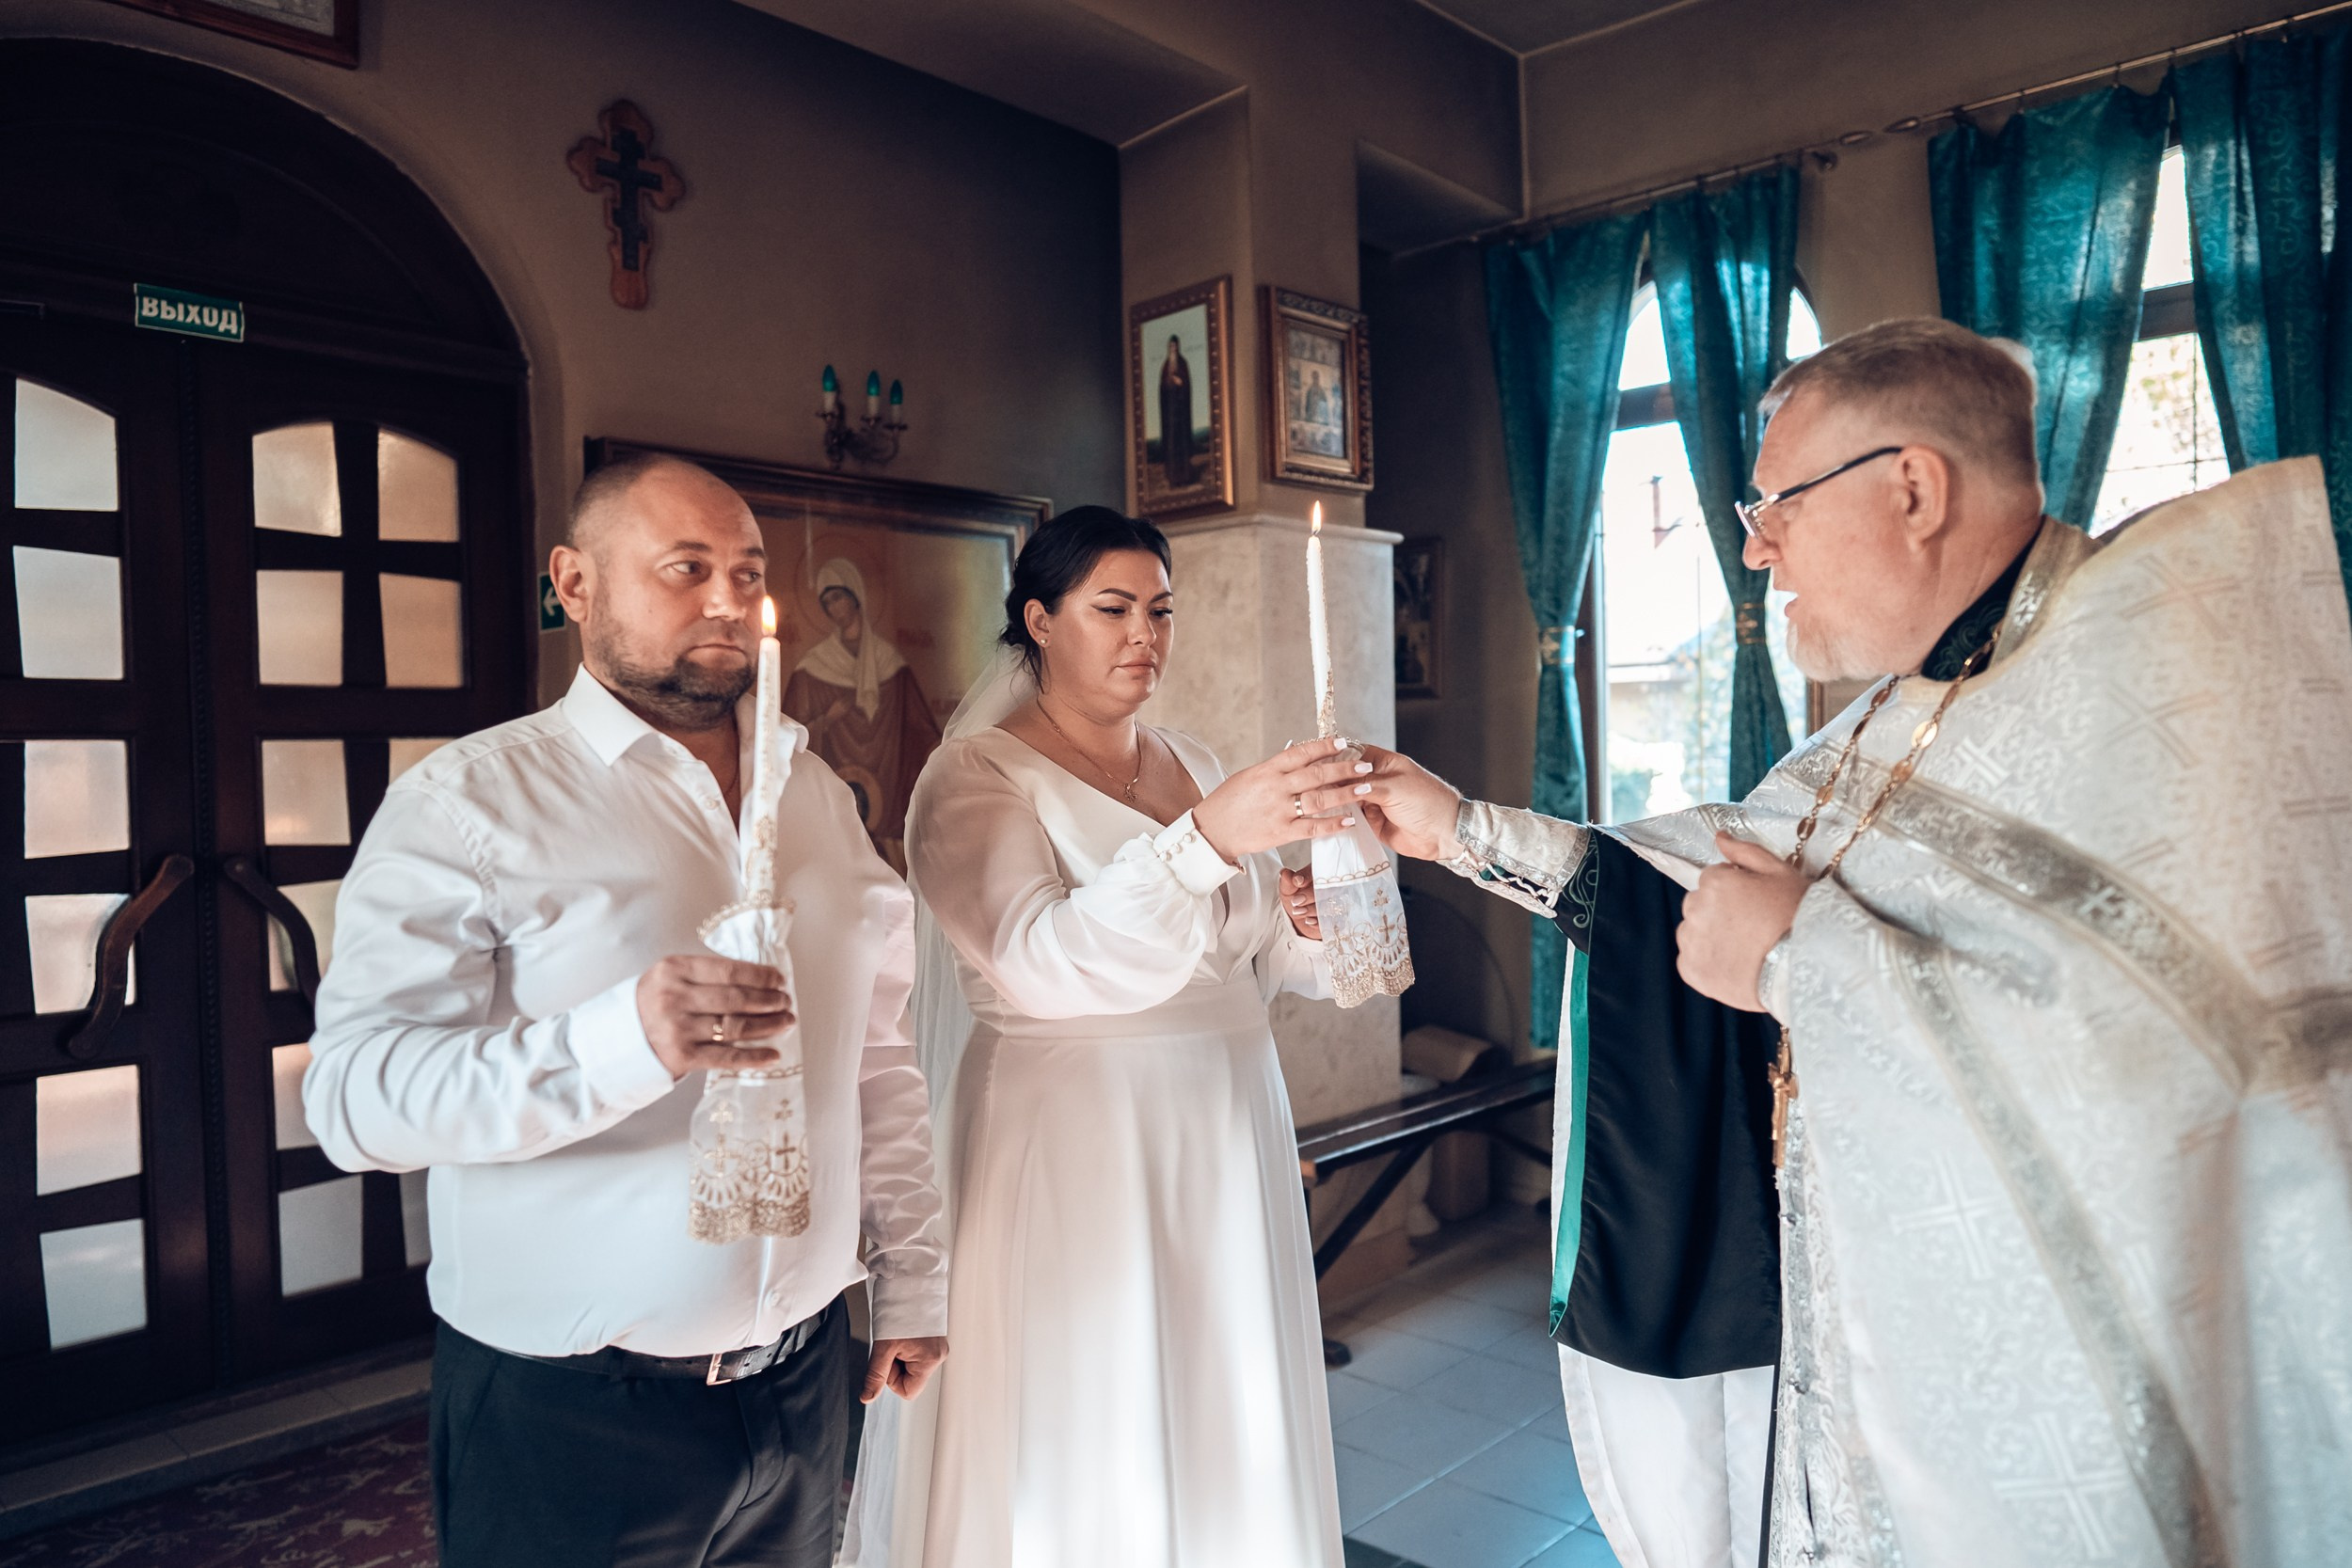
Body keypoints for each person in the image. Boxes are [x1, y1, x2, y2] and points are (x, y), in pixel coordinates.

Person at [1306, 319, 2352, 1567]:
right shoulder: (1891, 709)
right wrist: (1454, 827)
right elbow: (1692, 865)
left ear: (1913, 486)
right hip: (1871, 1344)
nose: (1753, 545)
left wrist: (1801, 963)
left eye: (1777, 503)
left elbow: (2190, 1065)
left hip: (2070, 1400)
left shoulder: (2159, 677)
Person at [303, 453, 951, 1568]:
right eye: (684, 567)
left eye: (745, 572)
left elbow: (875, 1058)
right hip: (568, 1412)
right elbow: (355, 1101)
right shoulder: (467, 803)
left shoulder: (819, 796)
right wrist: (623, 1040)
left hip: (802, 1381)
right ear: (574, 582)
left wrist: (913, 1275)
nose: (724, 600)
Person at [847, 506, 1370, 1568]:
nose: (1147, 634)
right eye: (1114, 607)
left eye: (1161, 609)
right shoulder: (973, 777)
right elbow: (1042, 959)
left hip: (1224, 1121)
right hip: (1073, 1134)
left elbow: (1255, 953)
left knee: (1222, 1386)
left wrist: (1307, 910)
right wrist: (1210, 839)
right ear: (1039, 619)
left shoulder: (1192, 756)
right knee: (1091, 1401)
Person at [782, 557, 943, 874]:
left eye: (838, 596)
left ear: (856, 596)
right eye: (826, 602)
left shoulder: (890, 663)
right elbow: (784, 742)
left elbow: (920, 729)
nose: (833, 607)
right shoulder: (812, 667)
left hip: (891, 791)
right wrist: (827, 719)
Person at [1159, 334, 1196, 488]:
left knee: (1182, 445)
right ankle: (1173, 478)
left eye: (1175, 346)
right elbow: (1162, 389)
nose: (1173, 349)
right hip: (1170, 414)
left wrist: (1179, 382)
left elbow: (1186, 384)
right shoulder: (1166, 366)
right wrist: (1169, 383)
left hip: (1181, 413)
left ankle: (1185, 476)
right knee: (1171, 446)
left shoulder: (1182, 364)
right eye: (1171, 347)